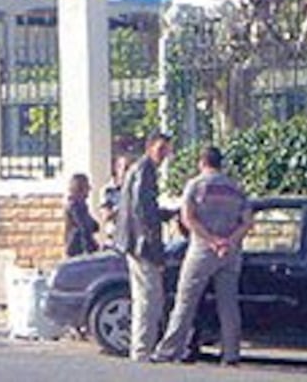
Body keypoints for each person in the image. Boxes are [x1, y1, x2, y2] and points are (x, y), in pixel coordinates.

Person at [152, 146, 253, 366]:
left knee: (185, 302)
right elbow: (247, 222)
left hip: (202, 249)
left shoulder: (196, 185)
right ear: (220, 163)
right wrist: (229, 241)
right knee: (228, 305)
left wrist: (211, 240)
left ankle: (169, 350)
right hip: (230, 252)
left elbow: (188, 218)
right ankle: (231, 354)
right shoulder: (236, 188)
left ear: (202, 162)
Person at [114, 132, 173, 362]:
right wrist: (154, 250)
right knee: (149, 298)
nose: (163, 155)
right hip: (141, 245)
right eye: (160, 150)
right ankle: (141, 350)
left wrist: (166, 214)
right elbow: (143, 213)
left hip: (135, 242)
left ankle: (141, 348)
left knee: (146, 297)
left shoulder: (142, 169)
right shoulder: (144, 170)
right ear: (149, 148)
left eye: (166, 150)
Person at [64, 173, 100, 257]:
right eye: (86, 187)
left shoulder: (82, 206)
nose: (89, 189)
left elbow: (94, 226)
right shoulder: (75, 206)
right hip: (77, 249)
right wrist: (90, 249)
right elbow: (83, 228)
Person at [99, 154, 131, 246]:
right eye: (125, 168)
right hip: (114, 239)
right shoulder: (108, 190)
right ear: (116, 168)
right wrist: (122, 208)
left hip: (132, 240)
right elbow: (105, 215)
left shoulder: (135, 190)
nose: (127, 172)